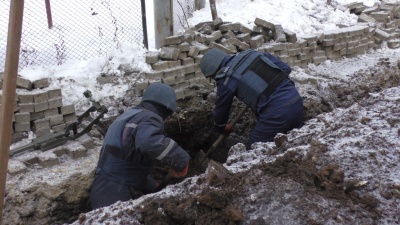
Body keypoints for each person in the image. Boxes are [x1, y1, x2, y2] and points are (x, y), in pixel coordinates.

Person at [90, 83, 190, 210]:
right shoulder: (150, 117)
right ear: (167, 109)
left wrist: (150, 184)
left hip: (104, 188)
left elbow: (124, 161)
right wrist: (180, 159)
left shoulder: (128, 116)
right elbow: (148, 142)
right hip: (118, 192)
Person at [200, 48, 303, 150]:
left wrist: (221, 127)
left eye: (211, 77)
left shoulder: (226, 78)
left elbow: (222, 107)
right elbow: (285, 69)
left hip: (276, 112)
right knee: (296, 143)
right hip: (296, 99)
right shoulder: (253, 53)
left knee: (254, 151)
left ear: (213, 72)